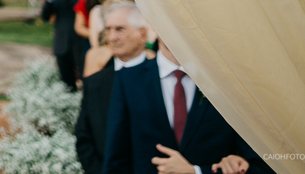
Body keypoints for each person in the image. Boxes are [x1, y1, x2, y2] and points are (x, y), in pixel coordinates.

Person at [103, 40, 265, 174]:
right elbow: (116, 161)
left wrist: (197, 172)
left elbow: (257, 166)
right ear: (152, 22)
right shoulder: (128, 81)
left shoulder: (227, 82)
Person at [75, 2, 151, 174]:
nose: (112, 37)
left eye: (120, 29)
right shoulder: (94, 83)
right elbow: (84, 137)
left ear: (142, 34)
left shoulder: (161, 79)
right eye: (108, 29)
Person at [41, 0, 86, 89]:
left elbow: (82, 10)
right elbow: (45, 16)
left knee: (85, 80)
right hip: (61, 43)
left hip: (79, 43)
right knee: (67, 83)